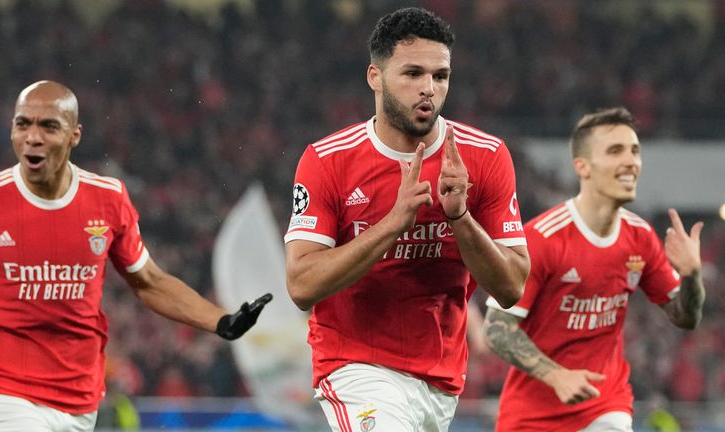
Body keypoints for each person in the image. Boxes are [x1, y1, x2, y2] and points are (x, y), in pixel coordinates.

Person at [0, 80, 272, 432]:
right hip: (3, 394)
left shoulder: (107, 199)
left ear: (75, 135)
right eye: (22, 123)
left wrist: (220, 321)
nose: (32, 136)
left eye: (48, 126)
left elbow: (149, 282)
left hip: (80, 400)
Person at [284, 7, 530, 431]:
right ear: (374, 77)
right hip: (355, 366)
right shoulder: (326, 161)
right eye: (412, 73)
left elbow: (511, 287)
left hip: (441, 379)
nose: (428, 89)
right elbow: (302, 285)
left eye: (440, 76)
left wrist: (460, 217)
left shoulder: (485, 157)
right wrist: (393, 223)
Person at [482, 107, 705, 431]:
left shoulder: (640, 237)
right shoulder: (544, 237)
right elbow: (496, 328)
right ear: (582, 166)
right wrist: (555, 375)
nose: (631, 161)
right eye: (616, 151)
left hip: (606, 406)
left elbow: (686, 317)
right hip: (531, 417)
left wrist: (692, 276)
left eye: (634, 151)